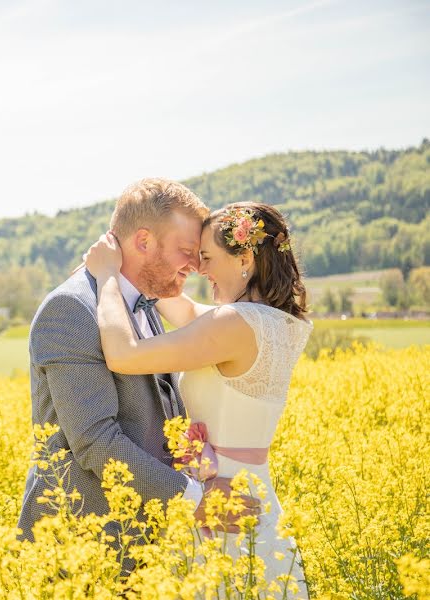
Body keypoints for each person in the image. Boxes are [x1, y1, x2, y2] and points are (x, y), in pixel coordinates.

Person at [16, 179, 260, 570]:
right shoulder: (71, 308)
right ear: (143, 241)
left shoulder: (145, 304)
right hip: (82, 544)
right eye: (186, 251)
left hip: (144, 543)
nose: (197, 266)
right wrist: (195, 499)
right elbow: (96, 440)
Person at [83, 201, 311, 590]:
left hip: (220, 505)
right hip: (251, 492)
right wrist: (136, 264)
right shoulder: (280, 321)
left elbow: (124, 355)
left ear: (245, 258)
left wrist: (106, 276)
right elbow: (186, 310)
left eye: (206, 257)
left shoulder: (234, 323)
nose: (200, 270)